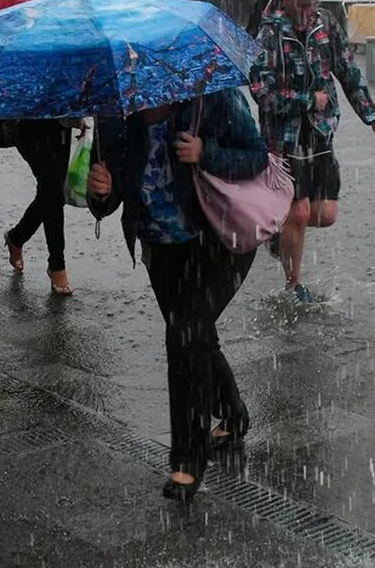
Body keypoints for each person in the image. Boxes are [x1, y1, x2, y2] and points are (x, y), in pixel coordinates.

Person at [88, 87, 270, 501]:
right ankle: (233, 414)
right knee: (195, 334)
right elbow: (114, 191)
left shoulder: (212, 97)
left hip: (218, 240)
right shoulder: (117, 108)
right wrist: (101, 192)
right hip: (161, 247)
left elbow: (257, 155)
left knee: (184, 334)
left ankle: (188, 461)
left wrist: (207, 153)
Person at [250, 0, 375, 302]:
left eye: (313, 4)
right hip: (282, 138)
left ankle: (279, 232)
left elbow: (348, 75)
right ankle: (293, 283)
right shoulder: (269, 32)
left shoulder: (326, 25)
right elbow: (261, 92)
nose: (307, 12)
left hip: (320, 133)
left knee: (324, 216)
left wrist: (374, 119)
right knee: (298, 213)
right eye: (301, 4)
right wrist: (306, 100)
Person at [3, 120, 75, 295]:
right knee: (53, 191)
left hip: (61, 118)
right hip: (27, 119)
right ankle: (57, 264)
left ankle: (17, 237)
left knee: (52, 191)